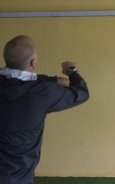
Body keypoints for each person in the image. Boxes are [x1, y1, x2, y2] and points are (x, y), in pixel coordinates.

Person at [0, 35, 89, 184]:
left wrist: (53, 80)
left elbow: (20, 81)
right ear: (33, 62)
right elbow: (82, 93)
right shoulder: (44, 92)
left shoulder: (43, 89)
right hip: (20, 178)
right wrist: (72, 71)